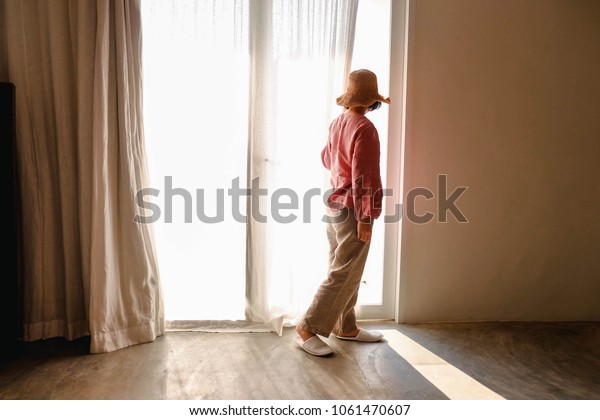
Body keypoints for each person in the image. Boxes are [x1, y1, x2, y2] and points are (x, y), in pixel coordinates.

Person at [294, 69, 390, 357]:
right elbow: (365, 177)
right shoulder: (365, 128)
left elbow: (326, 158)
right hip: (352, 210)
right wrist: (366, 216)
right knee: (344, 272)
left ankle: (345, 327)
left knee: (343, 270)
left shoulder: (338, 122)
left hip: (333, 206)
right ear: (373, 99)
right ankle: (307, 328)